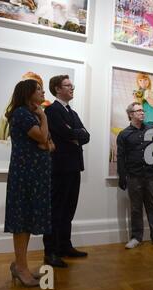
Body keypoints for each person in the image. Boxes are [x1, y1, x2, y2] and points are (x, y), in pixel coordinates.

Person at [4, 79, 53, 287]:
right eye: (39, 89)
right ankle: (20, 267)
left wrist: (44, 142)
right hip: (25, 175)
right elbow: (43, 137)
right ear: (28, 93)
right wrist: (42, 116)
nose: (43, 92)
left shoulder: (30, 115)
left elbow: (51, 145)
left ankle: (20, 265)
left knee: (28, 220)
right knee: (21, 221)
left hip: (34, 175)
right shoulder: (22, 114)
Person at [43, 75, 90, 268]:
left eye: (72, 85)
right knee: (56, 210)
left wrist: (74, 134)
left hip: (73, 166)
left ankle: (64, 246)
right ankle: (51, 252)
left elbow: (85, 135)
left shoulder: (72, 112)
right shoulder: (52, 110)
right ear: (57, 88)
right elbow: (66, 133)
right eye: (67, 85)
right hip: (59, 168)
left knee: (69, 209)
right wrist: (73, 134)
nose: (72, 88)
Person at [117, 102, 153, 249]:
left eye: (142, 110)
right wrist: (122, 176)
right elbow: (121, 157)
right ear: (131, 114)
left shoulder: (152, 130)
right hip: (134, 176)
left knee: (152, 207)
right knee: (135, 208)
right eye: (139, 110)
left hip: (151, 176)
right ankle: (136, 238)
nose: (142, 112)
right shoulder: (123, 135)